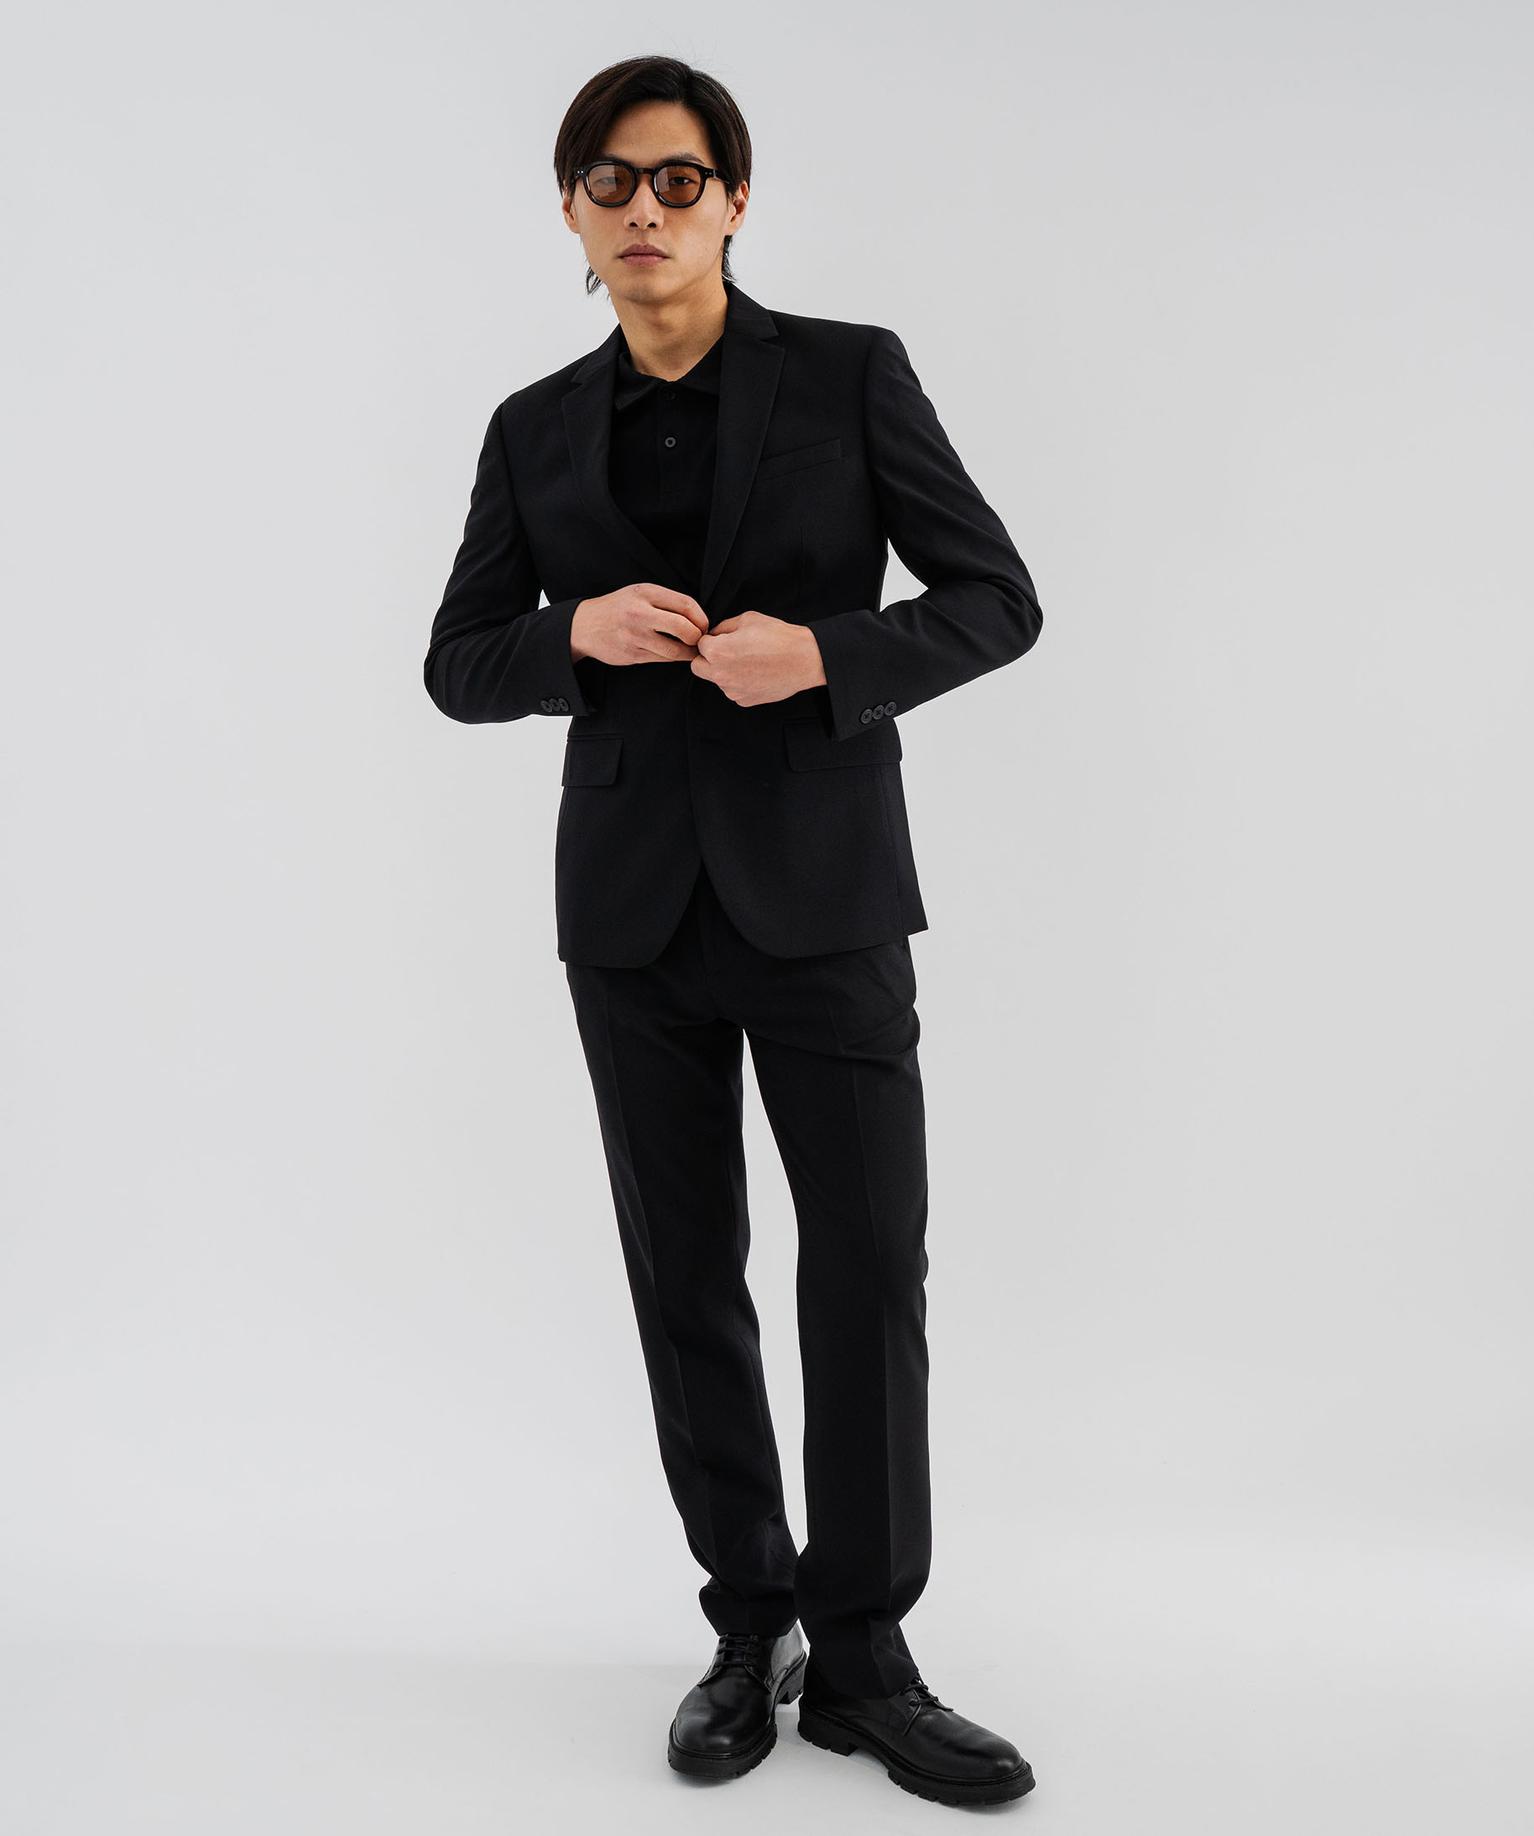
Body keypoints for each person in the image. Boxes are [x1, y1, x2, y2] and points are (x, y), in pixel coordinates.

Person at [422, 53, 1042, 1809]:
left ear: (734, 200)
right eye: (610, 183)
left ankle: (865, 1659)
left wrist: (826, 654)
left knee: (866, 1269)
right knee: (684, 1279)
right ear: (569, 212)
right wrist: (569, 637)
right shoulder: (532, 427)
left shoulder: (849, 373)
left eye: (677, 180)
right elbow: (456, 663)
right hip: (630, 919)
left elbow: (997, 598)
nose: (644, 209)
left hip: (824, 898)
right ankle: (745, 1624)